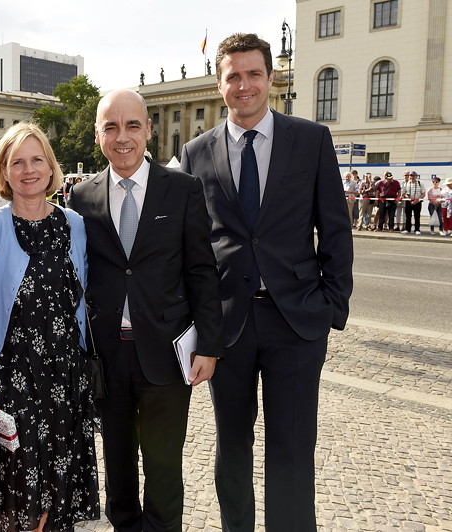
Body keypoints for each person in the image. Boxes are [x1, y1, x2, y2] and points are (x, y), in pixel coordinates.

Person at [181, 33, 354, 531]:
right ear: (220, 84)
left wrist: (330, 306)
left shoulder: (310, 139)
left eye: (253, 73)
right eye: (233, 75)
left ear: (270, 78)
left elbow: (335, 230)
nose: (244, 85)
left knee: (292, 448)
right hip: (226, 327)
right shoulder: (197, 152)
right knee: (231, 446)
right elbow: (194, 248)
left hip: (296, 322)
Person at [69, 89, 223, 532]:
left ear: (148, 130)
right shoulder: (81, 198)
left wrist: (209, 344)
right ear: (98, 135)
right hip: (107, 358)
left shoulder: (183, 190)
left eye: (132, 125)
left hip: (167, 355)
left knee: (163, 467)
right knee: (117, 468)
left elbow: (201, 271)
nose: (122, 137)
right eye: (111, 127)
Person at [0, 121, 98, 532]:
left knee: (58, 490)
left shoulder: (74, 224)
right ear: (4, 172)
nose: (28, 169)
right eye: (17, 161)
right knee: (20, 491)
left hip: (65, 378)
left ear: (50, 166)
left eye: (37, 159)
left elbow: (83, 297)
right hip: (13, 379)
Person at [401, 171, 425, 235]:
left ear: (416, 176)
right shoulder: (406, 183)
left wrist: (417, 200)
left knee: (417, 216)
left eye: (413, 176)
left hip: (417, 201)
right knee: (408, 216)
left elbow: (423, 193)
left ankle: (417, 229)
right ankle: (407, 229)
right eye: (411, 176)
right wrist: (407, 197)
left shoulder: (420, 183)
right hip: (408, 201)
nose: (412, 177)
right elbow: (403, 193)